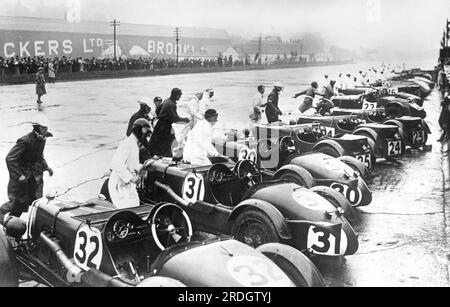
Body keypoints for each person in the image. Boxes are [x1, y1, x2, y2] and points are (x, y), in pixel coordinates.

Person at [0, 114, 54, 226]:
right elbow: (10, 158)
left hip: (33, 175)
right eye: (43, 128)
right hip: (21, 176)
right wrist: (19, 175)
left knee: (31, 200)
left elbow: (39, 156)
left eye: (46, 128)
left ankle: (12, 223)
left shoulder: (42, 139)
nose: (46, 130)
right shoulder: (24, 140)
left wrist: (46, 167)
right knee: (16, 202)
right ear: (37, 127)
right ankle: (2, 215)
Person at [108, 119, 151, 209]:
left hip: (127, 183)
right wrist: (131, 178)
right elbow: (116, 164)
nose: (145, 135)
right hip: (119, 183)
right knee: (126, 209)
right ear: (138, 130)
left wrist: (141, 167)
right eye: (145, 131)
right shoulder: (127, 143)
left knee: (134, 204)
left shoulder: (134, 144)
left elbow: (131, 164)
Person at [148, 88, 190, 157]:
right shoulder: (172, 104)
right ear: (176, 95)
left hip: (160, 125)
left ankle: (154, 155)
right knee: (171, 143)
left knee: (156, 142)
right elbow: (175, 119)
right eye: (180, 95)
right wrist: (185, 120)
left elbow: (158, 111)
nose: (180, 97)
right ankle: (175, 157)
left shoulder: (166, 101)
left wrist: (162, 116)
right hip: (165, 127)